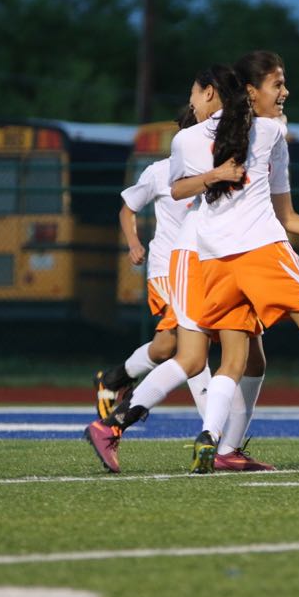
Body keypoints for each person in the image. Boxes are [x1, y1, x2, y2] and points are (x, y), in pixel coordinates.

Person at [103, 51, 299, 475]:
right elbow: (283, 213)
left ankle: (210, 435)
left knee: (233, 360)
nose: (285, 92)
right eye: (278, 84)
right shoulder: (270, 132)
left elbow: (180, 189)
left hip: (215, 260)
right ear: (249, 90)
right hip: (261, 248)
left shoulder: (186, 139)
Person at [86, 66, 274, 473]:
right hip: (191, 263)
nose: (192, 105)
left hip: (223, 259)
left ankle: (221, 445)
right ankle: (122, 421)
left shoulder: (238, 138)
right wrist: (218, 174)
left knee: (242, 356)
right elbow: (174, 191)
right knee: (190, 356)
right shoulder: (187, 148)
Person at [84, 106, 212, 474]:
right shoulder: (159, 172)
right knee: (193, 343)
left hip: (198, 269)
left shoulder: (211, 175)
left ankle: (113, 378)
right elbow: (127, 208)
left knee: (166, 347)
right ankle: (212, 435)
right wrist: (134, 244)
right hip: (166, 271)